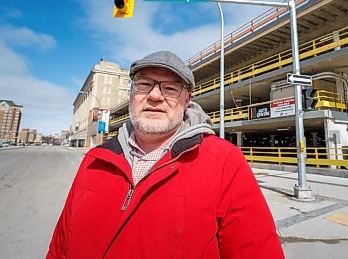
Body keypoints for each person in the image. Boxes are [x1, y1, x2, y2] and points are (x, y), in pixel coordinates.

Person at [47, 51, 284, 258]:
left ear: (186, 101)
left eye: (170, 88)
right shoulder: (95, 159)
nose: (155, 96)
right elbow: (59, 246)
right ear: (132, 94)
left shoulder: (225, 162)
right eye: (144, 84)